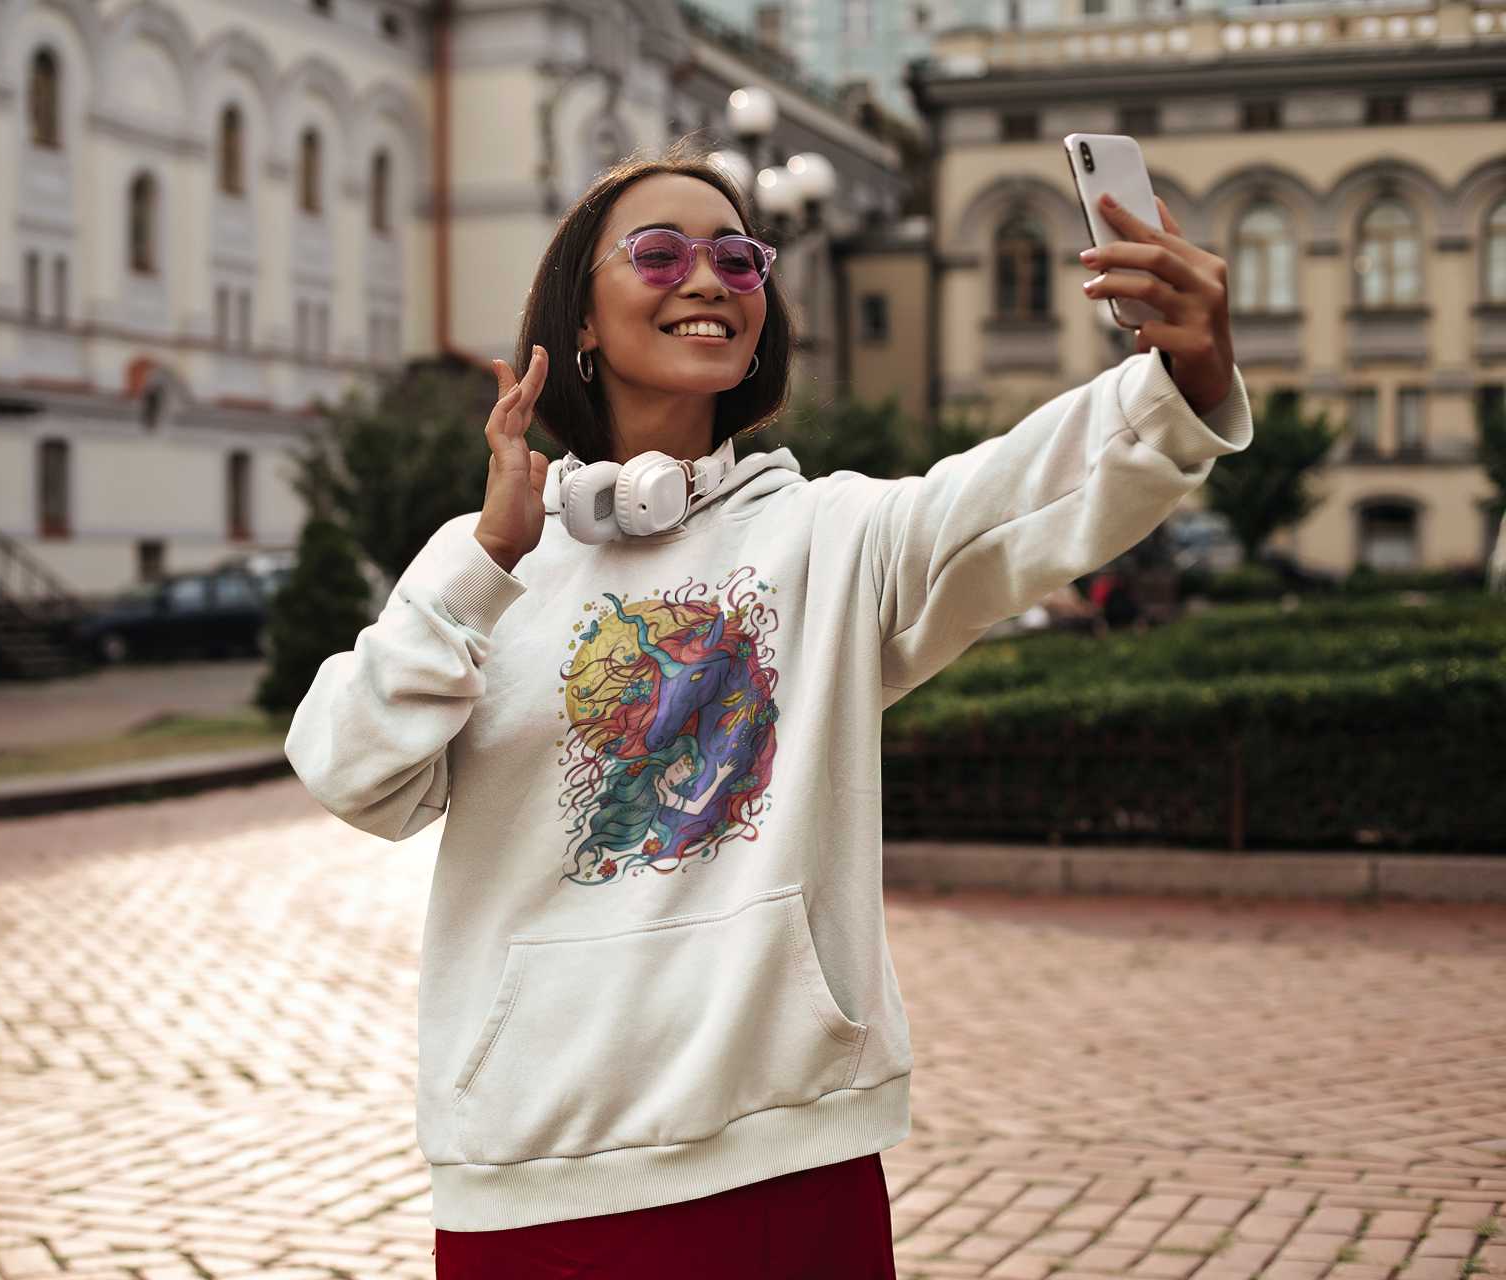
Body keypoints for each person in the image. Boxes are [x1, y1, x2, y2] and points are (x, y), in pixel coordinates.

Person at [286, 152, 1247, 1278]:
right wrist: (486, 561)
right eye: (659, 252)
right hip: (535, 1168)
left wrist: (1177, 375)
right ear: (578, 320)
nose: (708, 277)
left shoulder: (832, 540)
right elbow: (351, 770)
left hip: (789, 1159)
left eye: (738, 255)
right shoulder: (490, 556)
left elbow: (1018, 495)